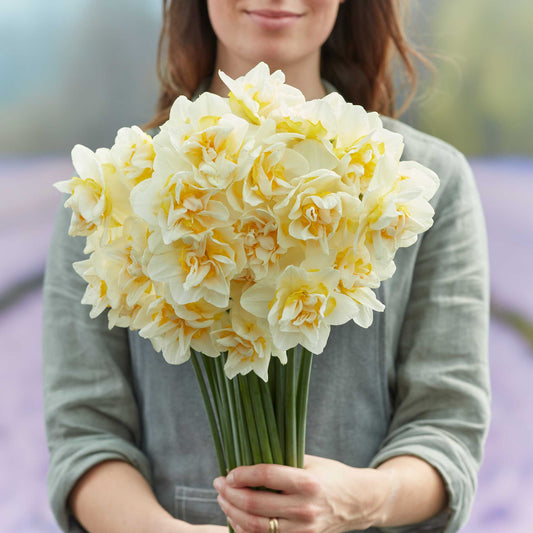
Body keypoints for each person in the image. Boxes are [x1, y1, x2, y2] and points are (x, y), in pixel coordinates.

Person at [42, 1, 490, 532]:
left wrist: (360, 500)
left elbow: (446, 426)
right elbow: (86, 435)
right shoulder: (118, 190)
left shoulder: (421, 184)